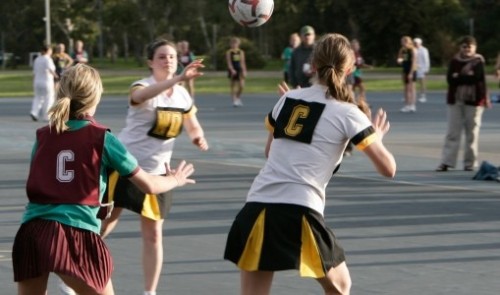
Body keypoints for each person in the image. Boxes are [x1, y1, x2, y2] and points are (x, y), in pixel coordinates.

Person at [224, 33, 396, 295]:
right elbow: (389, 169)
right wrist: (378, 139)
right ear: (350, 69)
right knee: (340, 286)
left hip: (257, 204)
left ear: (312, 65)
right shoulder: (350, 112)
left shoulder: (287, 99)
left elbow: (269, 152)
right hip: (299, 207)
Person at [11, 63, 196, 295]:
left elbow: (45, 180)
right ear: (95, 97)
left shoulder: (43, 135)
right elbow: (149, 185)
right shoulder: (102, 138)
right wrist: (174, 180)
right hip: (75, 233)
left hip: (33, 231)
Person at [98, 39, 208, 295]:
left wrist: (197, 137)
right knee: (105, 224)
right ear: (150, 62)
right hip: (127, 166)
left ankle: (150, 291)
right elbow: (140, 97)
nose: (168, 60)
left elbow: (192, 124)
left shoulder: (182, 95)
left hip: (159, 173)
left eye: (171, 56)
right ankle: (75, 266)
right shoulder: (143, 86)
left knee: (154, 235)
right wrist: (177, 80)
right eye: (161, 56)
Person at [435, 35, 491, 172]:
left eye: (469, 46)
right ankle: (446, 161)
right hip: (455, 100)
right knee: (452, 132)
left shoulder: (478, 61)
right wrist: (465, 77)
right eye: (464, 46)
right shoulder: (455, 61)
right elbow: (450, 79)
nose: (466, 49)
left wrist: (459, 77)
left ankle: (470, 163)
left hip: (474, 101)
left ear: (474, 48)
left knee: (472, 133)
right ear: (460, 47)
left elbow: (477, 79)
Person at [30, 44, 57, 122]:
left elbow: (34, 72)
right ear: (48, 50)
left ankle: (34, 112)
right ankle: (47, 116)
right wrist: (57, 77)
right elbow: (51, 69)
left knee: (38, 98)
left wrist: (33, 82)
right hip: (47, 82)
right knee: (49, 98)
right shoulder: (48, 59)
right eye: (51, 50)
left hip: (37, 82)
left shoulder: (37, 59)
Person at [397, 36, 417, 113]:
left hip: (412, 70)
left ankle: (412, 105)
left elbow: (414, 61)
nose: (402, 43)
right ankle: (407, 105)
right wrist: (400, 60)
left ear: (407, 42)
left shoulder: (412, 50)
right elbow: (402, 58)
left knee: (412, 88)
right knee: (406, 88)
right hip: (405, 70)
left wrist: (411, 73)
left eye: (403, 42)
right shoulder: (403, 50)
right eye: (402, 42)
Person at [226, 37, 247, 107]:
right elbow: (229, 62)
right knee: (233, 85)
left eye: (235, 43)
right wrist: (232, 69)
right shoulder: (229, 52)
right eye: (233, 43)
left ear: (238, 44)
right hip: (232, 69)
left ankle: (238, 97)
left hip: (239, 69)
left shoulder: (241, 52)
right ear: (230, 44)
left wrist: (244, 70)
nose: (234, 45)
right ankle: (234, 100)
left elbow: (243, 62)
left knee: (242, 86)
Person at [413, 37, 430, 103]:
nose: (415, 44)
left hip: (422, 69)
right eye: (414, 43)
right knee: (413, 83)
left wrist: (426, 69)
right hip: (414, 68)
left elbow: (426, 60)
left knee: (422, 83)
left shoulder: (424, 50)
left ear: (420, 43)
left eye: (416, 43)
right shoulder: (413, 49)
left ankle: (423, 96)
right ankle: (412, 95)